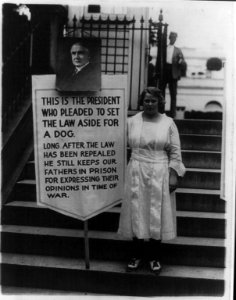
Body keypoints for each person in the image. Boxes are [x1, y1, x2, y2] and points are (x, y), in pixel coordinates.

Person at [118, 87, 185, 275]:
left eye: (153, 101)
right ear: (142, 102)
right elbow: (119, 144)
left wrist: (173, 175)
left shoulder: (168, 123)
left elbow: (175, 152)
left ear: (159, 102)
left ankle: (155, 257)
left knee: (157, 212)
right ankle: (136, 255)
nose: (149, 104)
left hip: (160, 171)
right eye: (146, 100)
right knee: (137, 210)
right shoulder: (131, 122)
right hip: (137, 169)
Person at [161, 32, 185, 118]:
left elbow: (182, 61)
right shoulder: (164, 48)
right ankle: (161, 111)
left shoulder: (178, 50)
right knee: (161, 93)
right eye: (172, 38)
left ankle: (172, 114)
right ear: (169, 38)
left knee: (173, 94)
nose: (173, 39)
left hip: (173, 72)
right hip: (164, 71)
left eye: (175, 38)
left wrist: (180, 61)